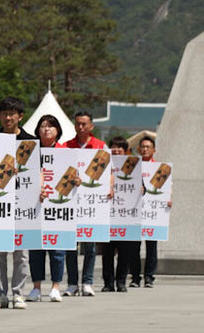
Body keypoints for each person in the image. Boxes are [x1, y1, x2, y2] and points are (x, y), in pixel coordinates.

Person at [0, 97, 34, 310]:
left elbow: (39, 172)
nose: (8, 117)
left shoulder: (30, 141)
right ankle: (0, 294)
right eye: (4, 113)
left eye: (12, 113)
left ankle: (18, 293)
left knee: (21, 253)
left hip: (22, 203)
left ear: (20, 116)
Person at [62, 112, 103, 297]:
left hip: (90, 205)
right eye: (78, 124)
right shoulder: (66, 147)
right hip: (70, 202)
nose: (81, 127)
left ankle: (87, 281)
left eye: (84, 124)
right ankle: (72, 283)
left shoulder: (100, 147)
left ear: (91, 126)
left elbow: (107, 172)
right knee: (71, 245)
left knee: (90, 246)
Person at [26, 115, 66, 302]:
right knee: (36, 249)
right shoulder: (32, 151)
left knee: (57, 250)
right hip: (35, 207)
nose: (46, 129)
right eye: (43, 126)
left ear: (58, 130)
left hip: (57, 207)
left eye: (50, 126)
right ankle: (36, 287)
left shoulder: (65, 151)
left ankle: (56, 286)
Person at [130, 136, 167, 288]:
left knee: (152, 245)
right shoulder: (132, 167)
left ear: (154, 150)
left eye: (148, 147)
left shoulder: (160, 169)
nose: (145, 149)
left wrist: (168, 198)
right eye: (142, 147)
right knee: (134, 246)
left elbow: (165, 188)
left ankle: (149, 276)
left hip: (153, 212)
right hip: (135, 211)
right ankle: (135, 276)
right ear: (138, 149)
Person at [101, 136, 133, 293]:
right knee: (107, 252)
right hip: (107, 216)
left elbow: (142, 186)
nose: (116, 150)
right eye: (113, 147)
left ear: (125, 150)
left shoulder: (132, 166)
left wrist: (142, 190)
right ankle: (108, 283)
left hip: (125, 216)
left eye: (119, 147)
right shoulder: (103, 164)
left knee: (124, 252)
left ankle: (121, 282)